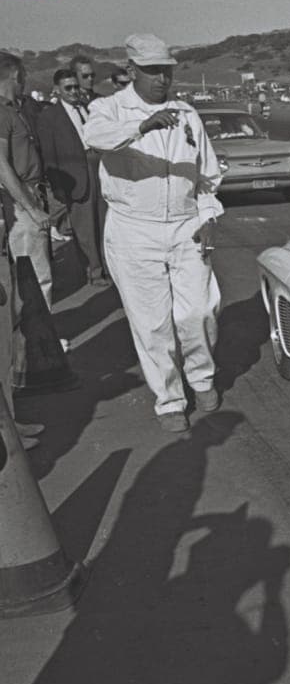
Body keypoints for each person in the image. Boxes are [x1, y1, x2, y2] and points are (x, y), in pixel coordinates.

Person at [83, 34, 223, 433]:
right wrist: (141, 125)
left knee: (198, 311)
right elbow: (95, 138)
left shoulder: (187, 114)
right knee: (152, 322)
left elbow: (207, 176)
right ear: (131, 72)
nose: (162, 79)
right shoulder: (108, 108)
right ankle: (170, 400)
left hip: (185, 225)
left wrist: (209, 214)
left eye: (167, 71)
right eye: (153, 72)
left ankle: (201, 377)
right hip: (133, 229)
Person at [37, 69, 108, 287]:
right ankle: (94, 272)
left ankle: (108, 268)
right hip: (76, 176)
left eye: (76, 86)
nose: (74, 91)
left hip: (98, 168)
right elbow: (48, 155)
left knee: (105, 223)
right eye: (68, 88)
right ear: (57, 90)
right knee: (84, 227)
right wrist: (59, 187)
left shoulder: (88, 108)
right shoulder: (49, 116)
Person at [0, 53, 53, 308]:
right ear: (16, 75)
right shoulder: (2, 112)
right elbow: (1, 164)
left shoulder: (15, 110)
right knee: (34, 274)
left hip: (28, 194)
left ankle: (36, 340)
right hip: (20, 199)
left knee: (34, 272)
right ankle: (39, 343)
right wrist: (31, 208)